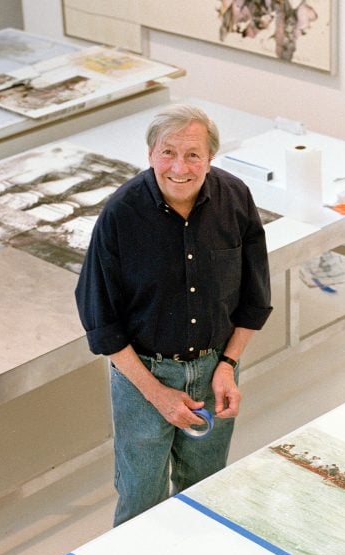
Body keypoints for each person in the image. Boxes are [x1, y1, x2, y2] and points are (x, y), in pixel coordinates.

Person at [75, 103, 272, 526]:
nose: (179, 167)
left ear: (210, 158)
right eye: (168, 152)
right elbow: (101, 323)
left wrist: (227, 367)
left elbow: (255, 297)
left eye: (193, 154)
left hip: (214, 367)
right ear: (150, 154)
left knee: (206, 491)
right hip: (142, 375)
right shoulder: (120, 215)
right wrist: (156, 393)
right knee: (140, 501)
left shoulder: (234, 197)